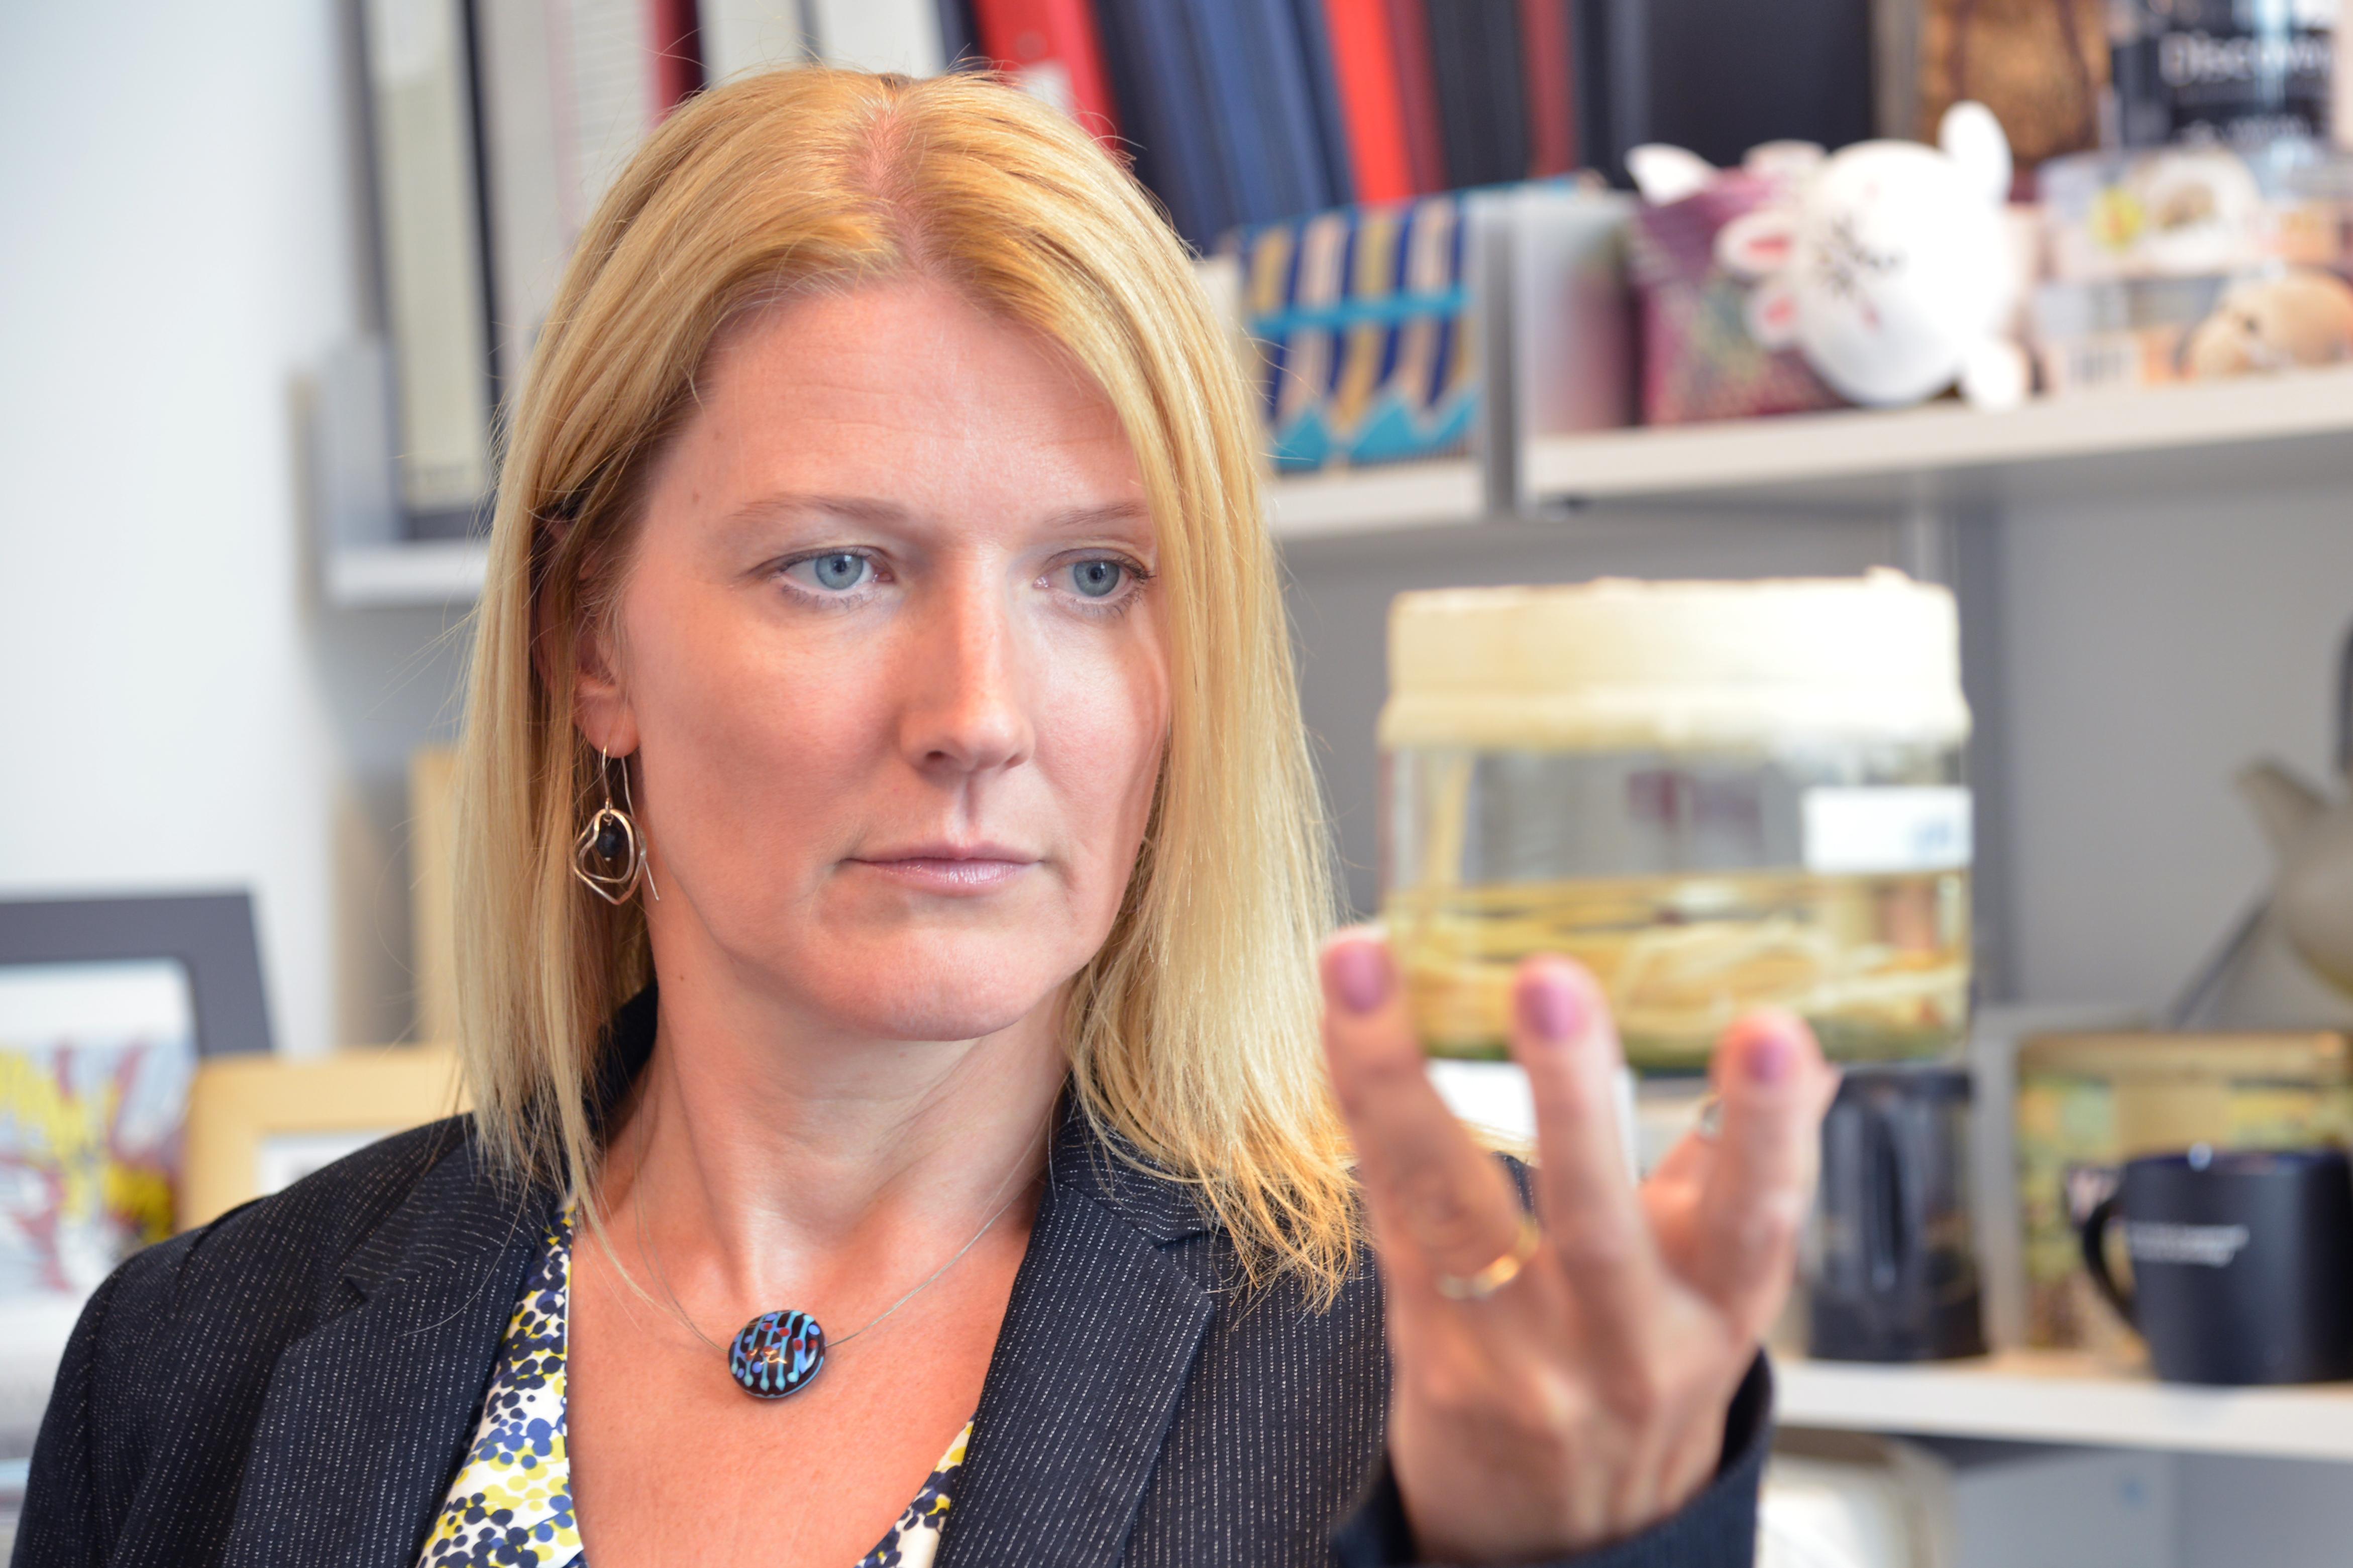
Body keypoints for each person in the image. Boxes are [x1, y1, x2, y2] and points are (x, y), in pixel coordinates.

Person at [17, 67, 1833, 1568]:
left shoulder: (1435, 1365)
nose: (975, 713)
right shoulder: (192, 1365)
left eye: (1093, 574)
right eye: (838, 566)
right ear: (593, 646)